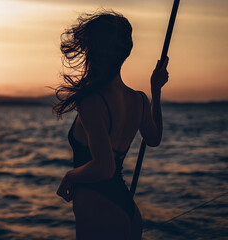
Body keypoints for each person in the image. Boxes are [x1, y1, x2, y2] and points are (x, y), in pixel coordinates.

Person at [53, 10, 169, 240]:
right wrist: (155, 90)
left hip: (99, 211)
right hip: (127, 210)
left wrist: (70, 176)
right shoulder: (138, 99)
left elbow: (104, 167)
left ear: (94, 50)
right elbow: (153, 139)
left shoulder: (92, 101)